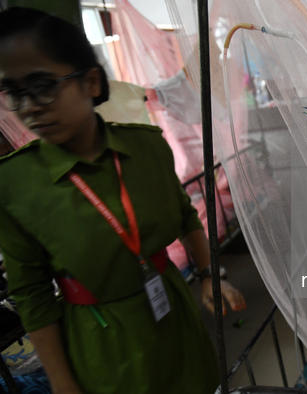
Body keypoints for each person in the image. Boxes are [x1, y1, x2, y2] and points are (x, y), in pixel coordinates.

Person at [0, 7, 246, 394]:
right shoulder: (15, 184)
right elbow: (32, 295)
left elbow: (185, 217)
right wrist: (63, 381)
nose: (29, 107)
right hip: (103, 340)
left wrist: (208, 275)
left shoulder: (146, 147)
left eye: (43, 85)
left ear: (92, 81)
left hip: (174, 315)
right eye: (14, 93)